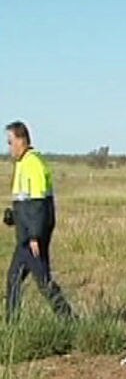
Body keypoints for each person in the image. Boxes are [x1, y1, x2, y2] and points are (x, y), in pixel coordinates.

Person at [3, 121, 73, 322]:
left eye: (10, 142)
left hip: (32, 238)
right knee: (13, 279)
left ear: (21, 140)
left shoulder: (33, 163)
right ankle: (12, 326)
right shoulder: (24, 163)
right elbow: (26, 203)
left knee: (43, 281)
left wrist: (35, 235)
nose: (9, 148)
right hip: (26, 236)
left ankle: (69, 321)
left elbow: (39, 204)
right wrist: (14, 217)